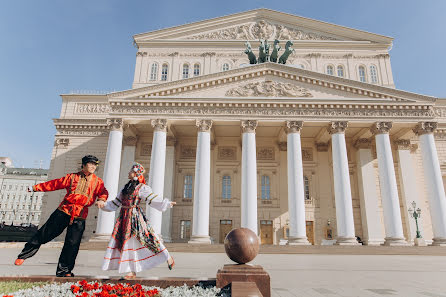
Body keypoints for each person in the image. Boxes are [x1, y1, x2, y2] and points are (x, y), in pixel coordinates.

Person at [14, 155, 108, 277]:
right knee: (45, 233)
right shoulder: (72, 177)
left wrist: (101, 199)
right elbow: (54, 184)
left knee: (72, 244)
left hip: (80, 215)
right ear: (83, 165)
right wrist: (35, 188)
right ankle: (24, 255)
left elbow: (103, 192)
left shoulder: (98, 182)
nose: (93, 167)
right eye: (90, 164)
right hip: (64, 210)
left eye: (95, 165)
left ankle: (64, 271)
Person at [98, 162, 175, 280]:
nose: (129, 172)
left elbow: (152, 198)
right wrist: (103, 205)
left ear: (135, 174)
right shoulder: (125, 188)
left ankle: (167, 256)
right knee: (127, 243)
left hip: (135, 217)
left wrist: (166, 203)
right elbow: (115, 203)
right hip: (123, 218)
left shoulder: (142, 188)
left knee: (149, 237)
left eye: (131, 171)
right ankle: (131, 271)